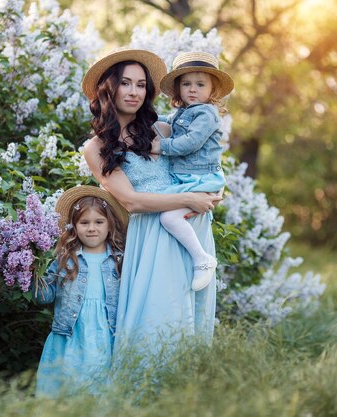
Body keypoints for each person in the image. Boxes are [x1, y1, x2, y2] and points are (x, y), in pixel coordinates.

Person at [81, 49, 222, 358]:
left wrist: (215, 191)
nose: (134, 92)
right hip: (152, 236)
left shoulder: (162, 130)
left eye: (141, 85)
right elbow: (131, 201)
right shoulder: (96, 147)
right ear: (109, 88)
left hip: (192, 230)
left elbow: (204, 158)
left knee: (190, 321)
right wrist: (188, 198)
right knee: (158, 322)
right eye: (126, 83)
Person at [151, 51, 234, 291]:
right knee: (164, 208)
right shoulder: (183, 112)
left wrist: (160, 146)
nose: (193, 89)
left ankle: (202, 259)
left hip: (202, 178)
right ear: (178, 89)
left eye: (200, 84)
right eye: (186, 84)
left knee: (168, 216)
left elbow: (190, 142)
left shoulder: (206, 113)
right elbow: (168, 120)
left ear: (212, 90)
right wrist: (146, 117)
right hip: (190, 178)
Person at [34, 185, 128, 396]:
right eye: (84, 223)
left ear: (109, 225)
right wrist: (31, 271)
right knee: (66, 390)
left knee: (99, 390)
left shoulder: (120, 260)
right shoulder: (65, 259)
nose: (91, 228)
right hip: (70, 336)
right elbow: (44, 296)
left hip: (105, 334)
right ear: (74, 226)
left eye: (99, 222)